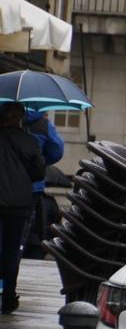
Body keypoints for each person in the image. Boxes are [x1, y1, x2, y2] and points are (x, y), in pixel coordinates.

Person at [0, 102, 45, 315]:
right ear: (19, 118)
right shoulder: (29, 141)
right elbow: (38, 173)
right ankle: (9, 296)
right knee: (11, 250)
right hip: (18, 203)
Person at [21, 109, 64, 259]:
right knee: (25, 227)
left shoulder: (5, 121)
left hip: (4, 183)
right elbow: (56, 151)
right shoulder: (43, 124)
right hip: (33, 186)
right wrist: (40, 163)